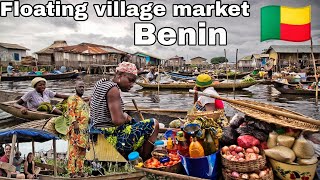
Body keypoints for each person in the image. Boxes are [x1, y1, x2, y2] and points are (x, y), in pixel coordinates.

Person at [90, 62, 159, 160]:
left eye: (134, 82)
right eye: (130, 80)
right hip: (109, 138)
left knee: (133, 123)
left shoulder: (101, 83)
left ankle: (137, 153)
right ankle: (146, 158)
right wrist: (126, 116)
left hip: (96, 135)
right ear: (119, 75)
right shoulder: (113, 89)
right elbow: (117, 120)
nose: (132, 85)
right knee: (154, 124)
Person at [66, 81, 90, 178]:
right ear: (75, 88)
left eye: (83, 87)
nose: (82, 88)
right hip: (76, 128)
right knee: (73, 151)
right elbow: (70, 111)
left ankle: (80, 171)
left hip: (84, 130)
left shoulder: (82, 101)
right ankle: (72, 172)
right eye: (80, 86)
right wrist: (74, 123)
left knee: (82, 152)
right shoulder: (72, 98)